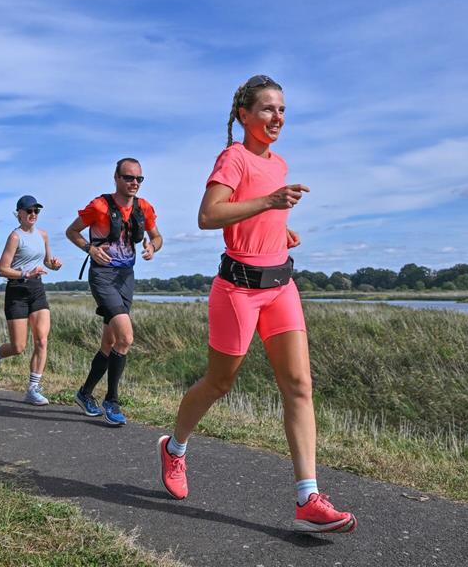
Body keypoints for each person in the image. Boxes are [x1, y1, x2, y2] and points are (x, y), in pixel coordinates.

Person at [156, 75, 356, 534]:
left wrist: (277, 230)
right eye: (267, 109)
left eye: (282, 110)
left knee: (299, 386)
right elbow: (209, 216)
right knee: (219, 382)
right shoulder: (233, 158)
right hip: (238, 289)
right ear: (244, 115)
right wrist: (268, 202)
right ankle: (175, 448)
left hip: (282, 284)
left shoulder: (280, 163)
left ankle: (308, 498)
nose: (277, 117)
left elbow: (256, 215)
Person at [65, 158, 162, 427]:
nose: (134, 183)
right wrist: (90, 249)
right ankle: (112, 400)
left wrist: (153, 247)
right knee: (126, 338)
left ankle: (84, 394)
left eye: (139, 179)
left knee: (109, 343)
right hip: (103, 276)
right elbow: (72, 231)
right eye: (129, 178)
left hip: (126, 277)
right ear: (116, 178)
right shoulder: (99, 206)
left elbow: (157, 237)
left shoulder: (144, 207)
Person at [0, 195, 62, 405]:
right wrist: (25, 273)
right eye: (29, 211)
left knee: (42, 340)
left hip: (37, 290)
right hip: (17, 291)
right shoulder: (15, 237)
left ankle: (33, 389)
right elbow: (2, 270)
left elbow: (45, 260)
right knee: (18, 347)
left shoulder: (43, 235)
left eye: (36, 211)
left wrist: (53, 264)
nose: (33, 214)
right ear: (19, 213)